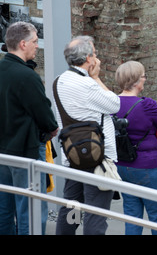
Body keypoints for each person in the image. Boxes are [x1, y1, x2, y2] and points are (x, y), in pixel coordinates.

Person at [54, 36, 120, 235]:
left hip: (72, 154)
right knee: (95, 212)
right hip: (96, 156)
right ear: (88, 58)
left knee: (71, 208)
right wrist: (97, 78)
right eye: (95, 54)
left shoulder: (60, 81)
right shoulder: (88, 85)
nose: (97, 58)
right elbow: (114, 105)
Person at [0, 22, 58, 235]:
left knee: (4, 209)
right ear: (23, 44)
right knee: (30, 211)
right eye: (35, 41)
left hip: (2, 154)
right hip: (25, 152)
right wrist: (52, 128)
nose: (37, 46)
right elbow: (44, 115)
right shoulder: (27, 76)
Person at [114, 60, 157, 235]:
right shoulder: (147, 105)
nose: (145, 79)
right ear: (137, 81)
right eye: (144, 76)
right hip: (146, 166)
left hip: (122, 165)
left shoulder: (112, 102)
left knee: (132, 215)